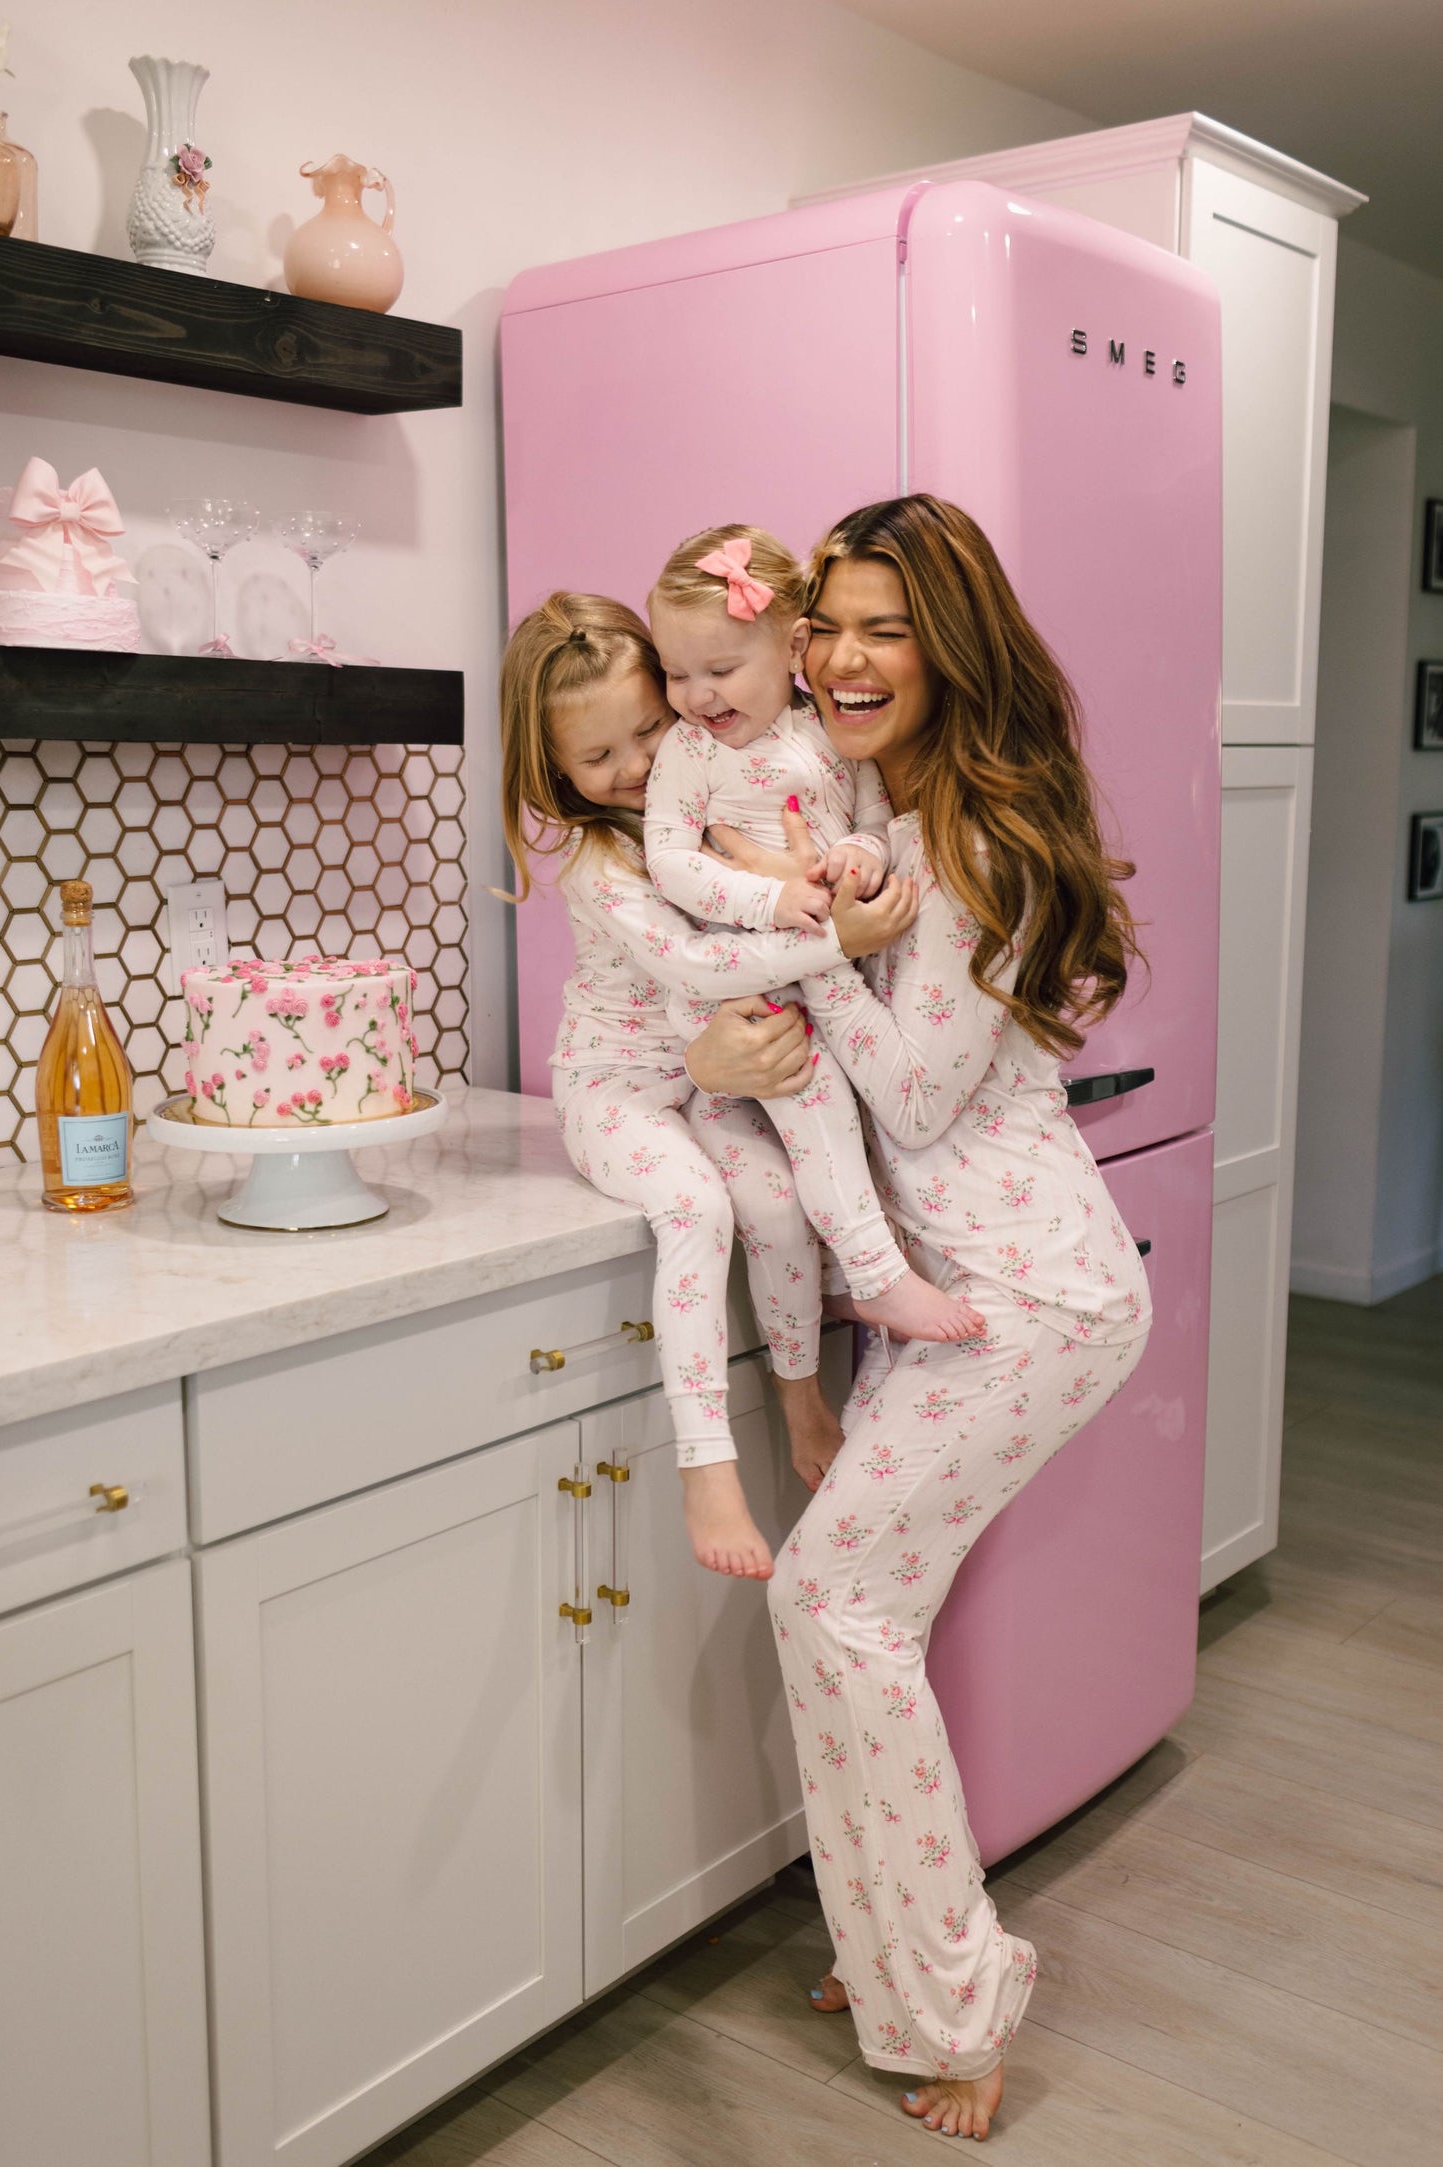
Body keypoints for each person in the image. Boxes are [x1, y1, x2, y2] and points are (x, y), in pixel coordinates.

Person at [717, 495, 1152, 2141]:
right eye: (826, 618)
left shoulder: (971, 838)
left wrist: (808, 942)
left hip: (1031, 1301)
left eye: (882, 625)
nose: (837, 654)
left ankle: (954, 2006)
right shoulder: (892, 803)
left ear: (949, 646)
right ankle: (889, 1943)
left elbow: (906, 1099)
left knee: (838, 1607)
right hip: (965, 1297)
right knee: (839, 1612)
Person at [497, 591, 963, 1580]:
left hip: (712, 1070)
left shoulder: (704, 794)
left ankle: (798, 1397)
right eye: (596, 758)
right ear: (552, 773)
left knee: (778, 1199)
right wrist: (843, 936)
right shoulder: (597, 858)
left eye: (645, 730)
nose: (630, 767)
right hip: (618, 1088)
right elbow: (697, 968)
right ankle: (704, 1464)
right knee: (698, 1208)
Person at [645, 523, 978, 1351]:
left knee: (844, 1125)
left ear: (791, 646)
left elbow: (869, 818)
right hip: (744, 975)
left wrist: (858, 859)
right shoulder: (688, 752)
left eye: (720, 670)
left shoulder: (829, 730)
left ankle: (838, 1279)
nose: (697, 695)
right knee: (818, 1108)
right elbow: (670, 862)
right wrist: (771, 898)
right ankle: (874, 1276)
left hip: (820, 963)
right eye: (675, 673)